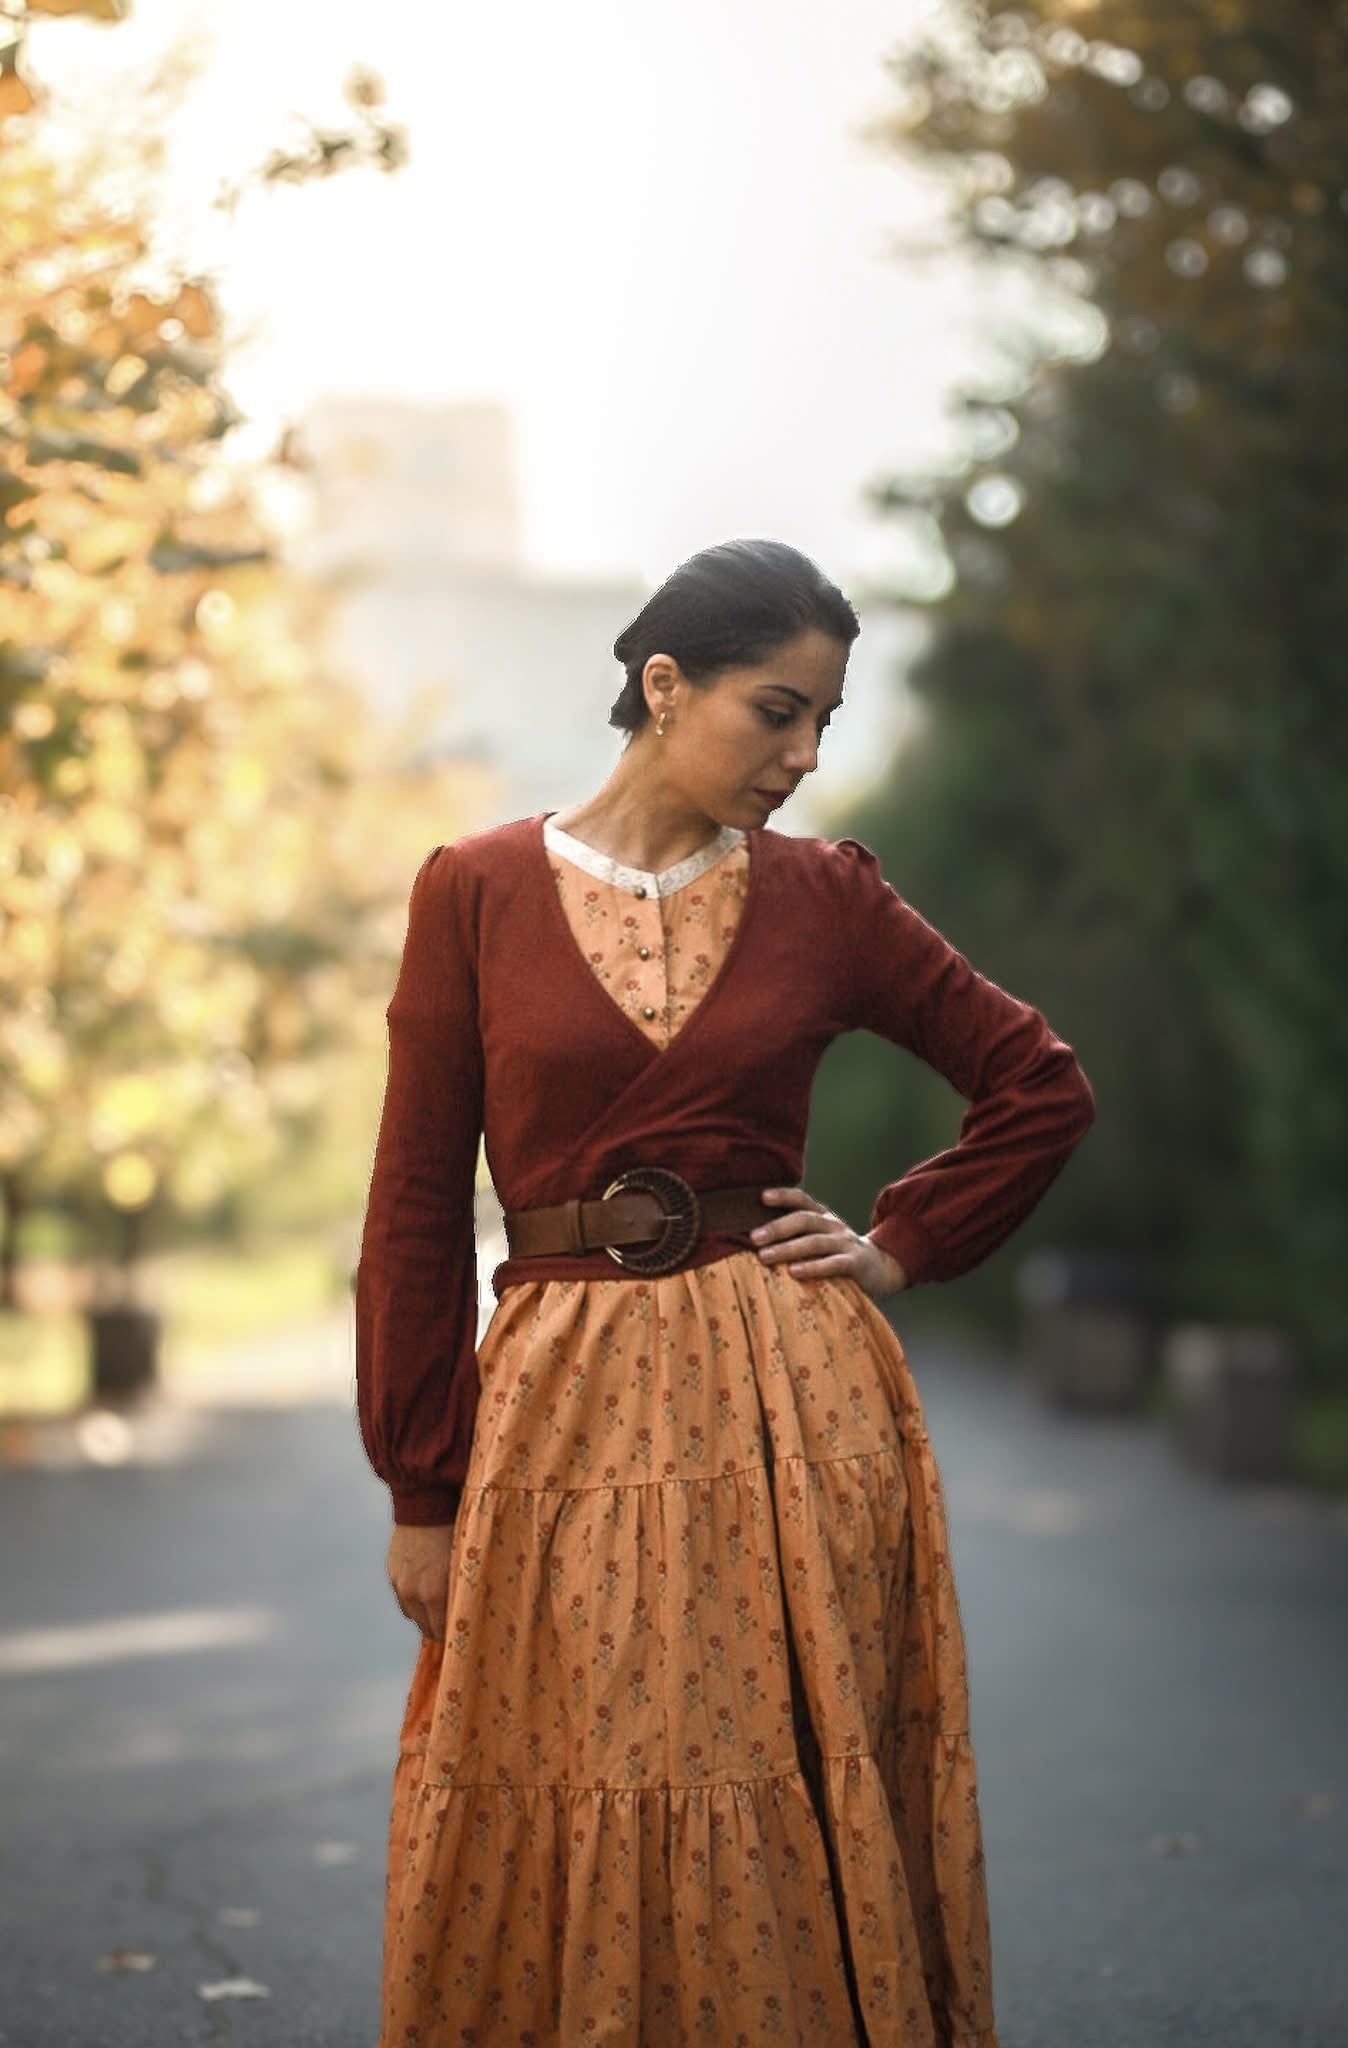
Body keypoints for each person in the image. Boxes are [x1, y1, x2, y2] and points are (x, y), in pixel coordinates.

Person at [354, 536, 1096, 2047]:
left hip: (786, 1408)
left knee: (770, 1775)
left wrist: (896, 1245)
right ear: (662, 682)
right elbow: (418, 1207)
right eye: (779, 712)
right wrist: (419, 1483)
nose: (807, 755)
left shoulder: (826, 899)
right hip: (557, 1413)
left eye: (827, 721)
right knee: (567, 1762)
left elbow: (1036, 1085)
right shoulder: (475, 890)